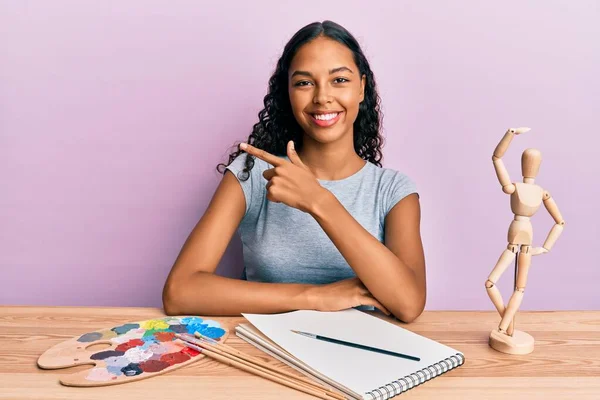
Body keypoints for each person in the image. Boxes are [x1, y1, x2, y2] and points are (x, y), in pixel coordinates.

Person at [162, 20, 426, 323]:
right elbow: (180, 291)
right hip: (266, 353)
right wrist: (315, 297)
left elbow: (409, 304)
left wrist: (319, 201)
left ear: (362, 88)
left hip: (362, 357)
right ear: (288, 93)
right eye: (304, 82)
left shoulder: (393, 190)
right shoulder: (252, 174)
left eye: (339, 80)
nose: (322, 97)